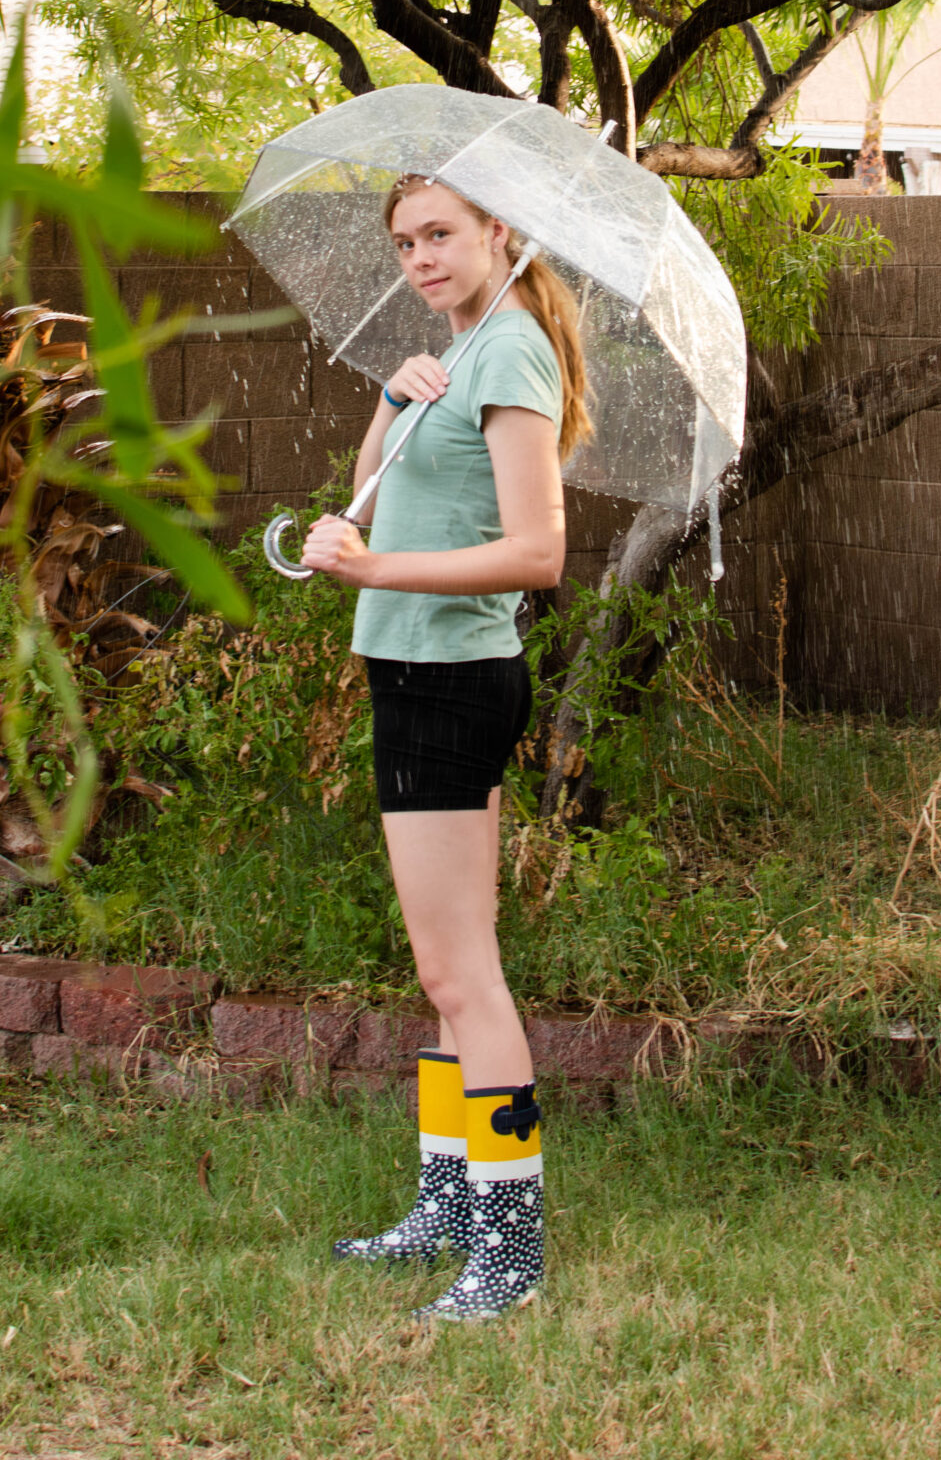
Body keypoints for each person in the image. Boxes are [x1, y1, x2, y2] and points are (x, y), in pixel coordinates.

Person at [299, 173, 591, 1324]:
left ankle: (507, 1247)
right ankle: (450, 1203)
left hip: (452, 679)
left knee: (460, 972)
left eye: (442, 234)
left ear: (498, 234)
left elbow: (537, 553)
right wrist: (393, 394)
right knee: (447, 968)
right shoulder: (454, 355)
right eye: (406, 242)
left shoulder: (510, 349)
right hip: (414, 670)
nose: (421, 258)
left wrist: (373, 574)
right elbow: (369, 500)